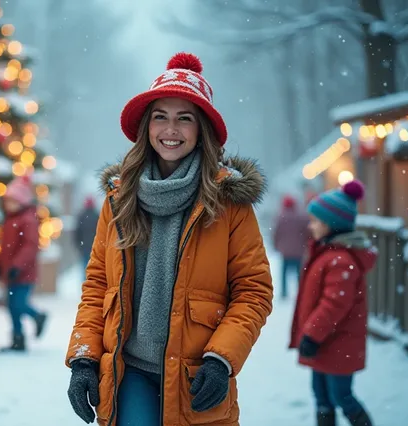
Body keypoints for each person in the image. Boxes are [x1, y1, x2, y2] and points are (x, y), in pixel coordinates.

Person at [65, 52, 273, 426]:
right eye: (160, 116)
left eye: (184, 118)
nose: (170, 129)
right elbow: (97, 285)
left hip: (197, 373)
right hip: (131, 374)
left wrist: (221, 358)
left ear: (201, 129)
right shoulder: (119, 199)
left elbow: (253, 290)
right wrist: (83, 358)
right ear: (146, 126)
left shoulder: (229, 204)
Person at [289, 180, 375, 426]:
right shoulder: (327, 253)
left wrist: (312, 335)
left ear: (331, 225)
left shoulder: (340, 260)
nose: (310, 225)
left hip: (337, 343)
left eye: (315, 221)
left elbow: (334, 304)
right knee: (322, 396)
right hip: (324, 344)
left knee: (342, 397)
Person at [0, 173, 48, 352]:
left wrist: (17, 266)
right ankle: (18, 340)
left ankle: (38, 316)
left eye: (12, 201)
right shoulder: (10, 220)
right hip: (10, 272)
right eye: (7, 202)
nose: (8, 205)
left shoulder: (28, 220)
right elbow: (4, 247)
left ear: (22, 202)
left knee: (18, 303)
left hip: (24, 273)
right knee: (11, 307)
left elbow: (29, 247)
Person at [272, 194, 310, 299]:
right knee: (299, 273)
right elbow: (308, 232)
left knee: (284, 273)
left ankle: (284, 292)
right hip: (298, 250)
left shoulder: (280, 217)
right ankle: (300, 291)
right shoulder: (301, 217)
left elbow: (276, 233)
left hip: (285, 251)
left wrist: (276, 245)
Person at [75, 195, 100, 281]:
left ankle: (86, 286)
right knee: (95, 269)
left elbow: (77, 233)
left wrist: (79, 246)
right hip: (95, 247)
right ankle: (93, 283)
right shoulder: (97, 216)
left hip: (84, 247)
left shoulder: (81, 216)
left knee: (85, 268)